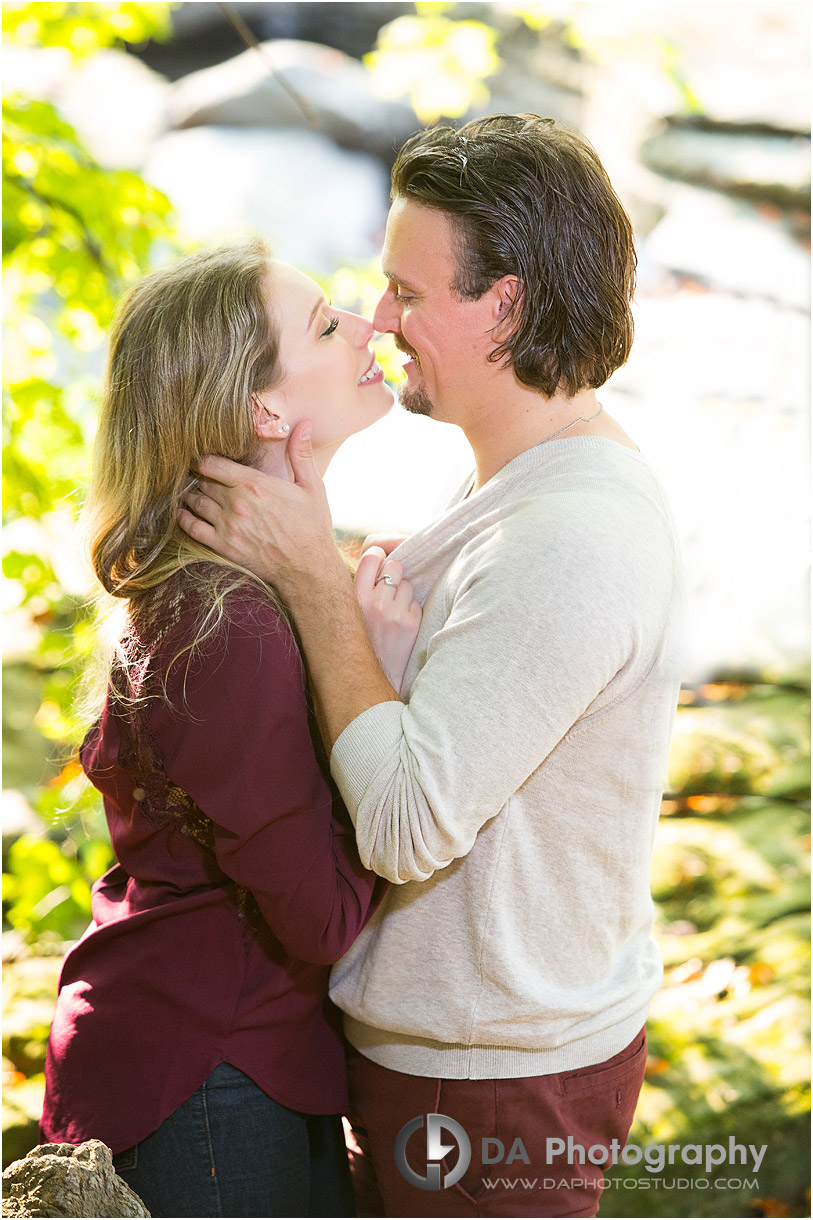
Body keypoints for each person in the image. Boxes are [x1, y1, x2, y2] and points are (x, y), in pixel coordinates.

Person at [179, 114, 687, 1218]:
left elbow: (411, 821)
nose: (381, 321)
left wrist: (315, 583)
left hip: (494, 1080)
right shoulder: (516, 484)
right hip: (460, 1058)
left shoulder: (569, 537)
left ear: (503, 306)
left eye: (408, 292)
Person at [40, 241, 422, 1219]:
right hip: (202, 1073)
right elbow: (326, 915)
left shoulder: (251, 586)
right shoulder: (230, 622)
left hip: (252, 1057)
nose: (371, 326)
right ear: (266, 411)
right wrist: (380, 675)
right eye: (329, 325)